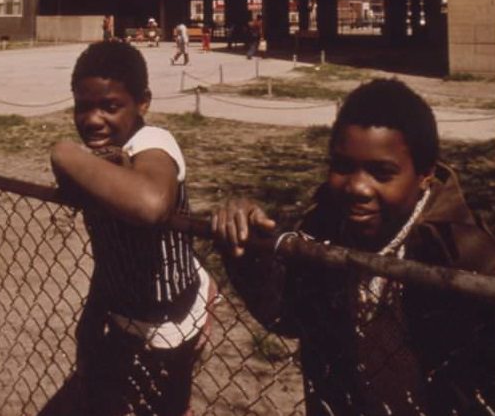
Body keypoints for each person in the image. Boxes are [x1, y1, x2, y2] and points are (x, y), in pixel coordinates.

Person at [212, 78, 495, 416]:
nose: (357, 187)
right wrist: (246, 253)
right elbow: (289, 317)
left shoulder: (463, 254)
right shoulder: (325, 226)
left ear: (425, 174)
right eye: (343, 167)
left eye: (382, 172)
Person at [50, 41, 214, 416]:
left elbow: (151, 203)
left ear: (143, 103)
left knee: (160, 405)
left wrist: (62, 152)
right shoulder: (105, 155)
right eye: (83, 106)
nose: (92, 120)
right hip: (123, 309)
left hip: (170, 318)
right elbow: (111, 246)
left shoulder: (153, 140)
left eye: (110, 106)